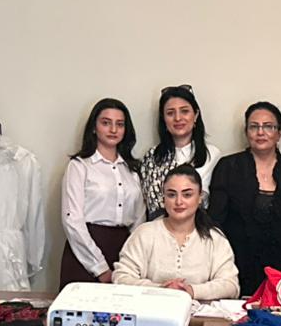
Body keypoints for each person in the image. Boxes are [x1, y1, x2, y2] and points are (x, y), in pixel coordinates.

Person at [209, 102, 281, 296]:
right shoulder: (228, 167)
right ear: (246, 132)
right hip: (236, 265)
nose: (260, 132)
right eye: (254, 126)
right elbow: (216, 220)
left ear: (279, 133)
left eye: (268, 126)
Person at [113, 165, 239, 300]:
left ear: (200, 197)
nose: (179, 202)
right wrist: (160, 289)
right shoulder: (144, 233)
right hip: (151, 309)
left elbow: (231, 285)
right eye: (172, 195)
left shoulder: (214, 238)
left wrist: (191, 291)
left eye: (187, 195)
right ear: (164, 199)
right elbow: (121, 277)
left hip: (200, 312)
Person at [60, 98, 145, 285]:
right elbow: (72, 220)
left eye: (120, 124)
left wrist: (130, 262)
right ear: (94, 127)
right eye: (106, 123)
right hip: (85, 251)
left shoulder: (132, 169)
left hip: (124, 253)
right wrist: (100, 268)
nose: (113, 130)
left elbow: (139, 219)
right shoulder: (79, 166)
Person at [139, 85, 220, 220]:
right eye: (170, 113)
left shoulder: (212, 155)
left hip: (197, 228)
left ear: (196, 115)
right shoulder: (152, 157)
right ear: (163, 119)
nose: (178, 118)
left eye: (184, 111)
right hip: (157, 228)